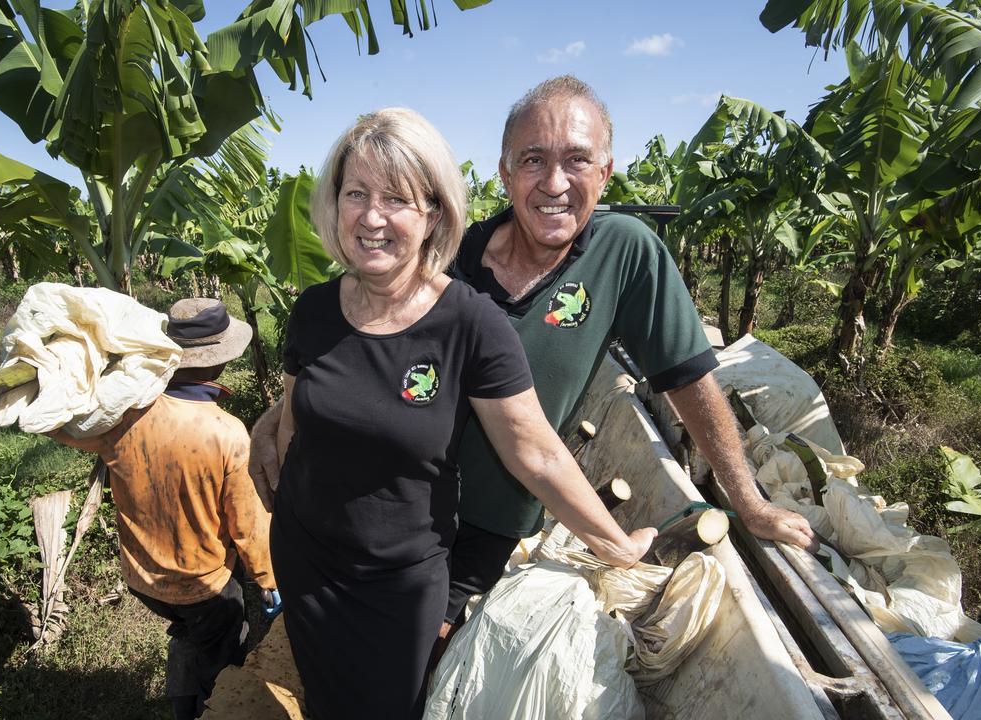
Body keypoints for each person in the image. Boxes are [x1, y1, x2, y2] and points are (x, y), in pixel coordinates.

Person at [253, 77, 815, 652]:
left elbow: (688, 380)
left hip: (494, 522)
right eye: (533, 160)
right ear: (504, 170)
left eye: (577, 160)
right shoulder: (449, 264)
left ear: (606, 170)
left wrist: (747, 501)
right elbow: (359, 351)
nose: (554, 183)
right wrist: (279, 412)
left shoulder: (625, 253)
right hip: (400, 513)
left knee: (431, 663)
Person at [269, 107, 656, 720]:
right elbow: (293, 426)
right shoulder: (314, 309)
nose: (372, 217)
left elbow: (536, 454)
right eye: (356, 194)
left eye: (396, 198)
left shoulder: (470, 322)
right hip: (305, 558)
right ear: (334, 204)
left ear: (433, 215)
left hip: (396, 584)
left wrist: (617, 546)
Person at [48, 298, 277, 720]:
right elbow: (248, 524)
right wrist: (266, 578)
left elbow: (58, 424)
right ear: (219, 364)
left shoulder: (122, 417)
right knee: (221, 655)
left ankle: (181, 702)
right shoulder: (226, 432)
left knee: (189, 633)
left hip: (143, 579)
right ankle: (205, 707)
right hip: (203, 584)